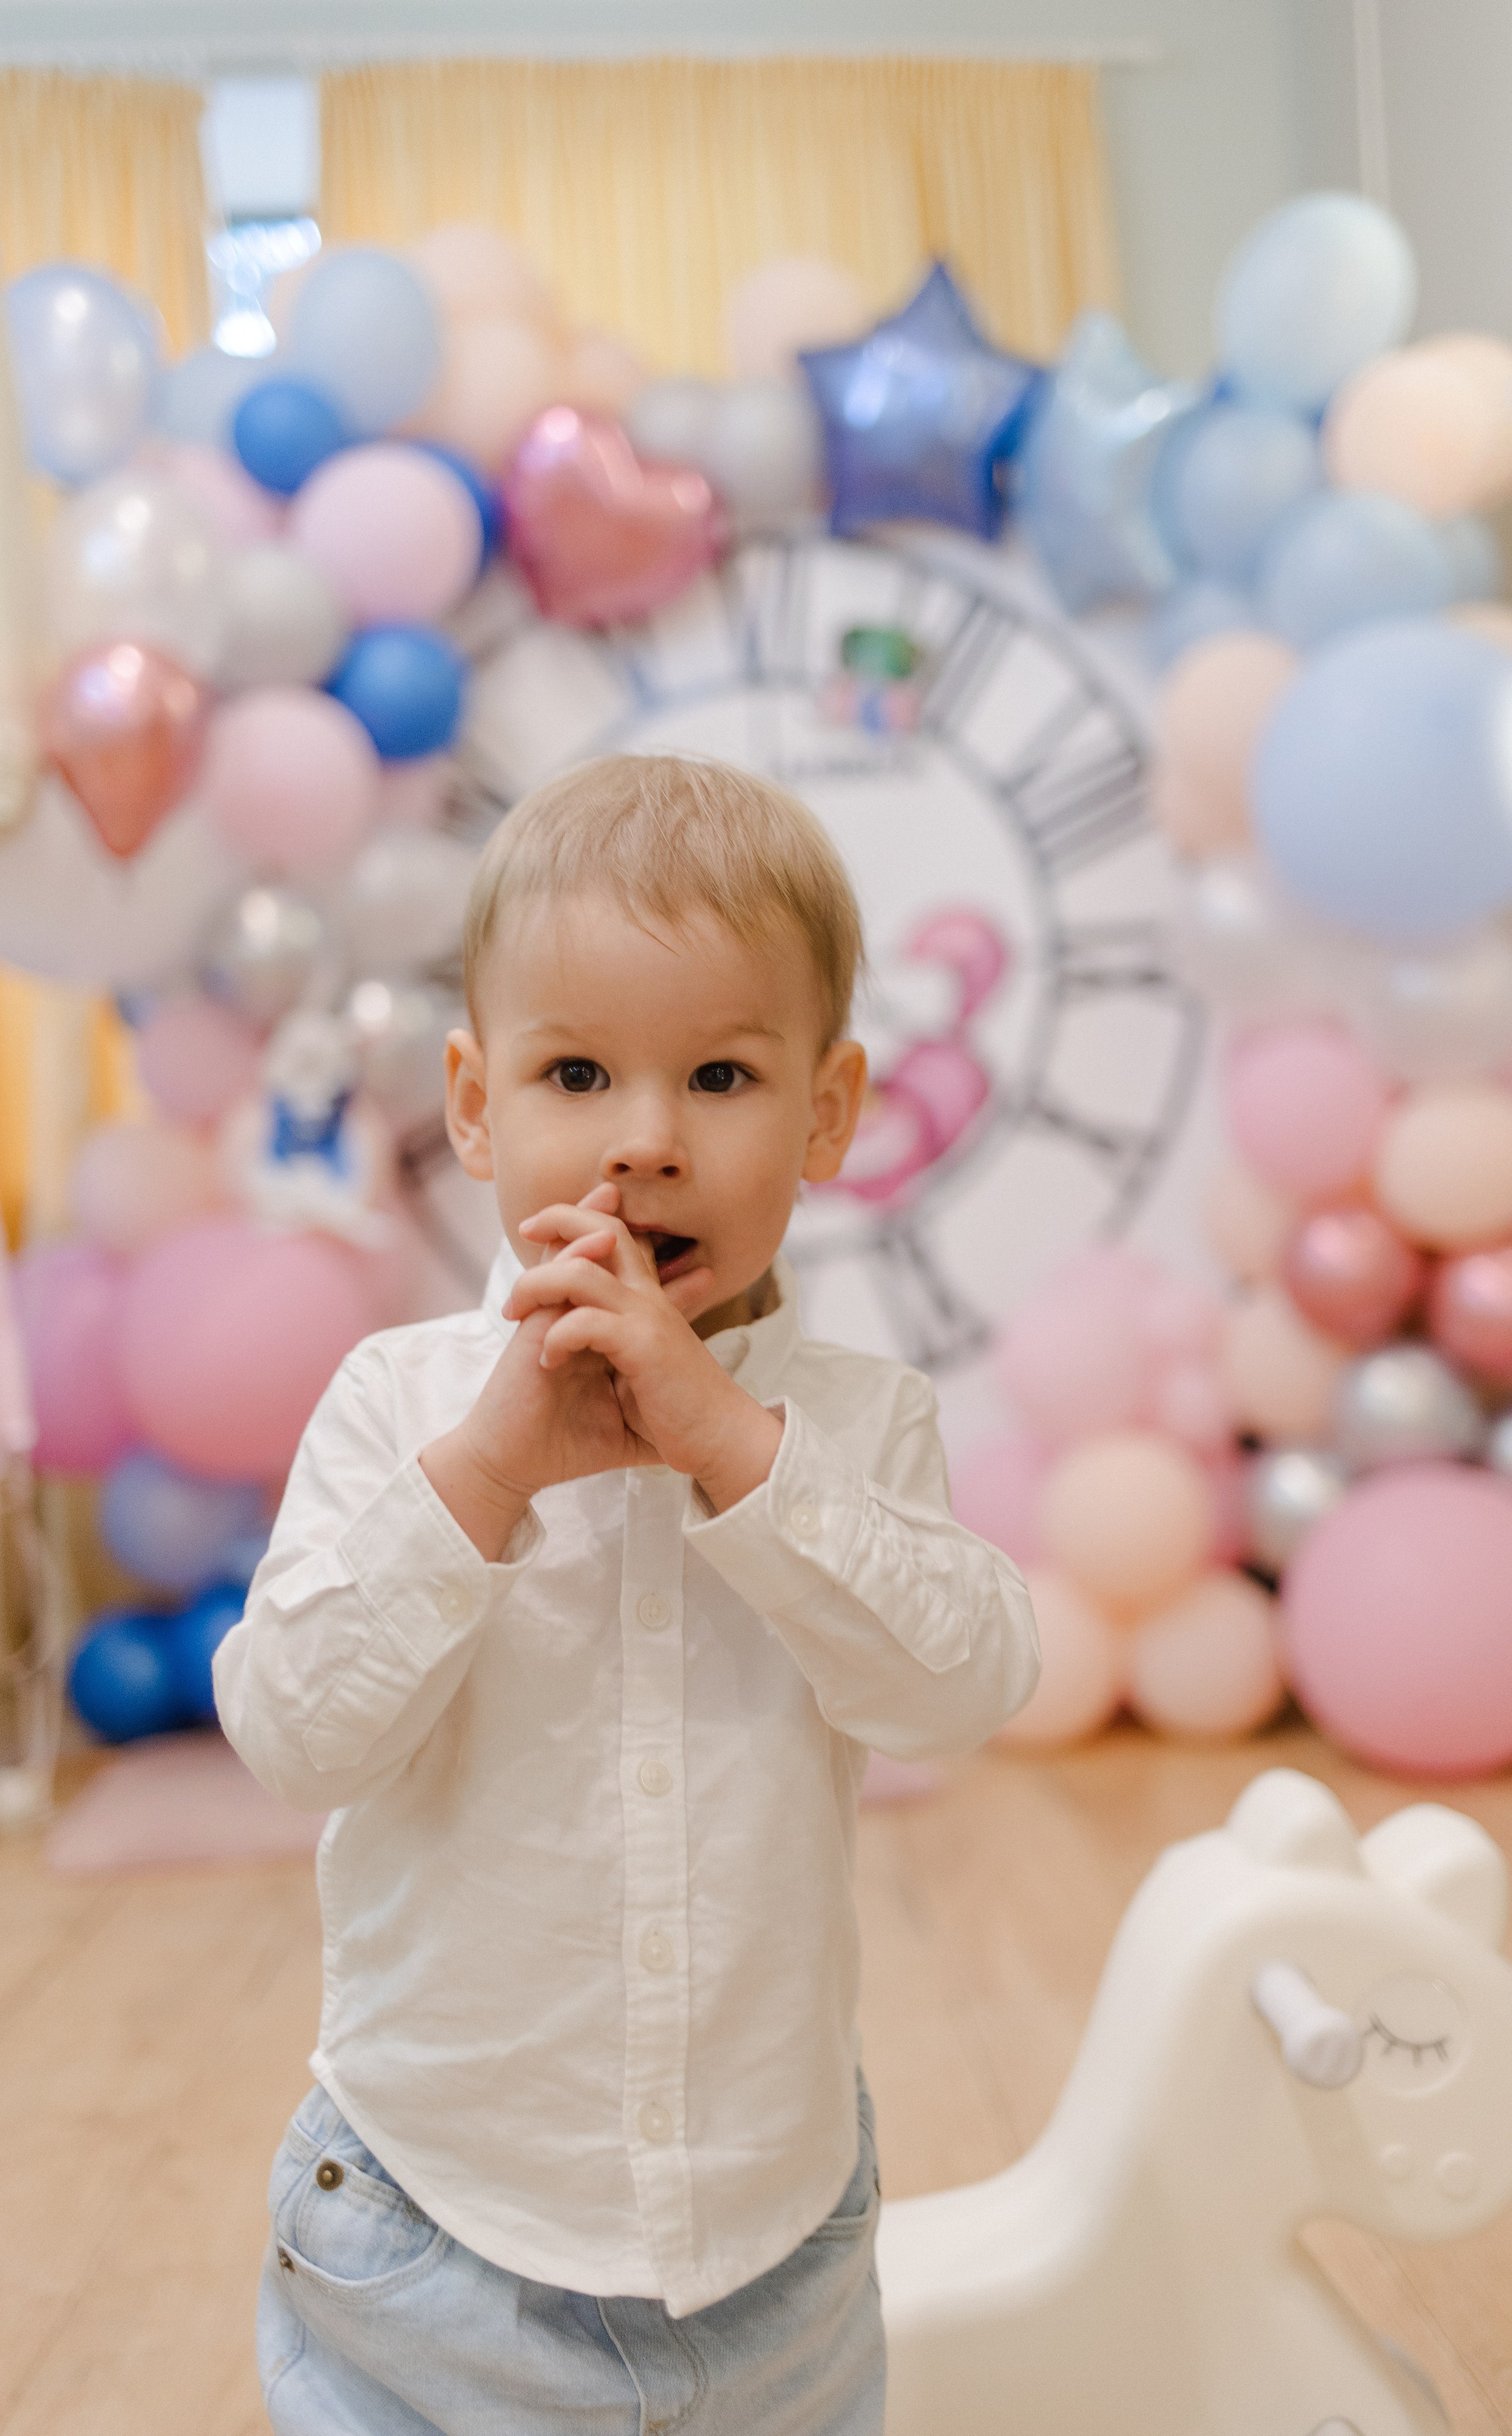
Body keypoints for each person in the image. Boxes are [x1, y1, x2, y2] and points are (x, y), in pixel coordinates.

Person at [216, 753, 1040, 2436]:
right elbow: (293, 1733)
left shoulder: (856, 1425)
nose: (648, 1141)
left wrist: (737, 1449)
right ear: (473, 1105)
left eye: (723, 1076)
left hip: (776, 2253)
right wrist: (493, 1471)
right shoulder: (399, 1402)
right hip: (431, 2247)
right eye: (577, 1072)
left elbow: (958, 1686)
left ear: (825, 1111)